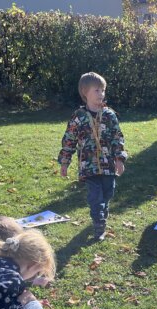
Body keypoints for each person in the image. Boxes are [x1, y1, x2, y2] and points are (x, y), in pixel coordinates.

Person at [58, 72, 128, 241]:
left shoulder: (109, 115)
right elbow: (69, 140)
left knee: (108, 193)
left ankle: (103, 211)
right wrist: (65, 162)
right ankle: (99, 225)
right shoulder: (79, 116)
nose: (101, 94)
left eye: (103, 90)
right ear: (85, 92)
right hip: (88, 166)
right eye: (97, 90)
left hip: (108, 165)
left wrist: (119, 159)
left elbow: (117, 137)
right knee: (95, 198)